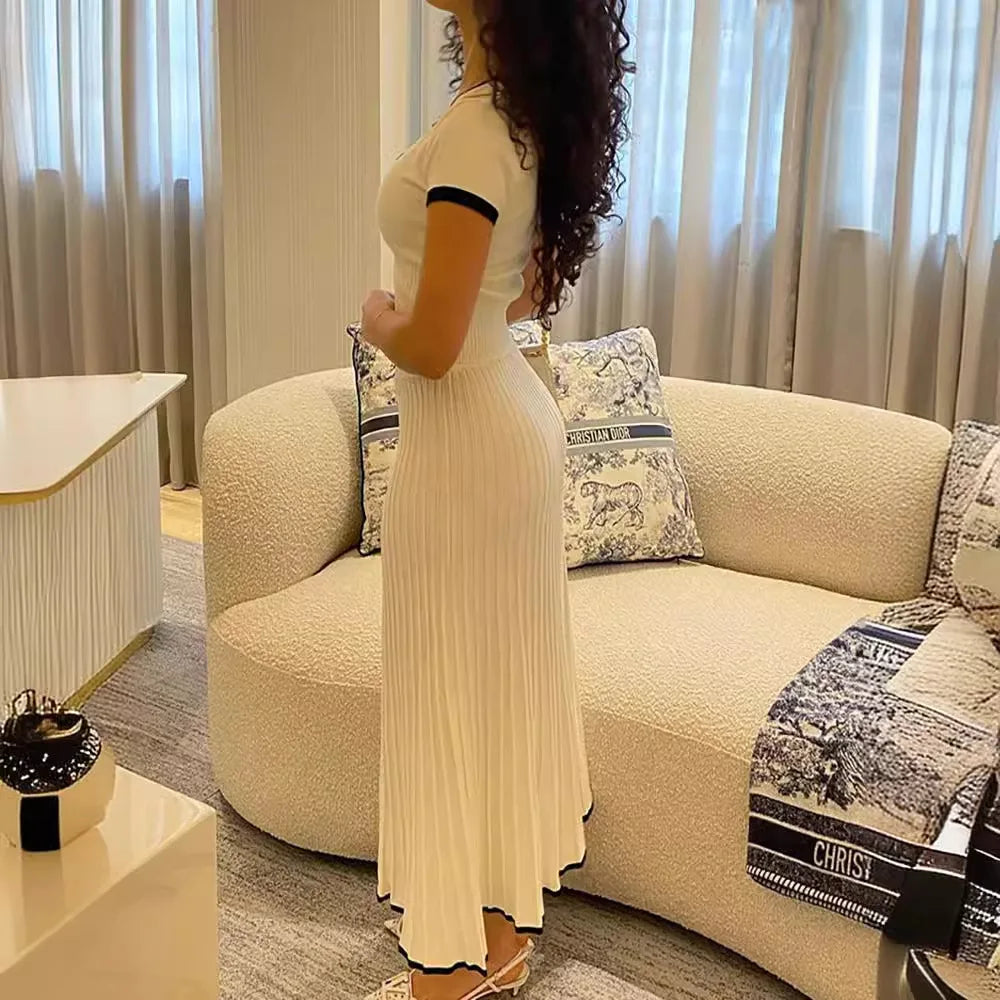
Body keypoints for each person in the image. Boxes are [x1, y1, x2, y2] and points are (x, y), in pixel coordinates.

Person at [360, 2, 632, 998]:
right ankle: (496, 943)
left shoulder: (480, 130)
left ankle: (448, 973)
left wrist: (378, 317)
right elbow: (517, 294)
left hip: (468, 437)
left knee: (444, 686)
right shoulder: (507, 112)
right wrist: (438, 309)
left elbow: (433, 346)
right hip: (498, 423)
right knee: (491, 683)